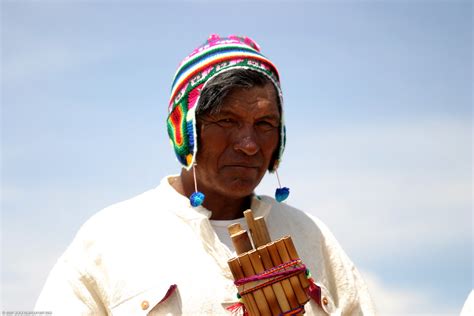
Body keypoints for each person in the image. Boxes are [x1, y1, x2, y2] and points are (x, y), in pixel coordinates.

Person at [35, 34, 375, 315]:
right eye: (227, 121)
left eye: (264, 125)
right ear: (186, 131)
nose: (249, 145)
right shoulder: (110, 238)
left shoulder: (312, 237)